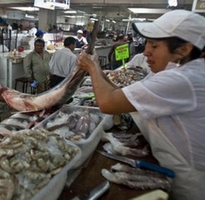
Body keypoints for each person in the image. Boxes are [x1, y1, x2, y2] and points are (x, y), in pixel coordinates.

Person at [77, 10, 205, 200]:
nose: (145, 51)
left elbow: (107, 102)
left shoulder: (181, 79)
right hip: (170, 167)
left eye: (154, 45)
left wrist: (92, 67)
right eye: (147, 43)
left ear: (183, 50)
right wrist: (99, 71)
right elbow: (122, 97)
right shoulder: (181, 72)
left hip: (186, 185)